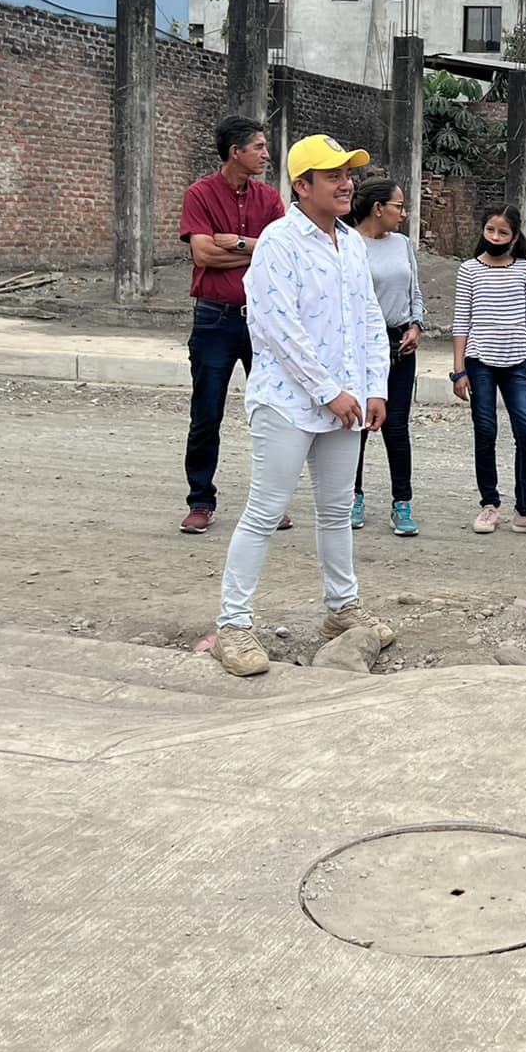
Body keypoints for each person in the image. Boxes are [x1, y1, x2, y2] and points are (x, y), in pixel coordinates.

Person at [212, 135, 391, 678]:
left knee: (336, 510)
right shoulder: (278, 242)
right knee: (264, 511)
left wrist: (375, 387)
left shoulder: (351, 243)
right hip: (288, 402)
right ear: (302, 185)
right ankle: (233, 624)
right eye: (333, 175)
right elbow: (277, 327)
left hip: (346, 402)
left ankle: (342, 607)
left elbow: (369, 319)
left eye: (348, 174)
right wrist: (327, 391)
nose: (346, 184)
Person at [178, 116, 285, 535]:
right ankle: (200, 501)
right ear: (235, 152)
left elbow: (280, 252)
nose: (265, 154)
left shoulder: (270, 198)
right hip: (214, 319)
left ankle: (271, 503)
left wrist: (236, 242)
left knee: (272, 413)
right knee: (207, 414)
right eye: (258, 147)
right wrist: (257, 249)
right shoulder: (200, 194)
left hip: (263, 321)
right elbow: (203, 255)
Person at [452, 204, 526, 535]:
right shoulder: (469, 270)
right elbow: (461, 322)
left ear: (514, 236)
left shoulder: (525, 270)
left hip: (516, 364)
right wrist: (458, 371)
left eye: (503, 232)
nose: (495, 237)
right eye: (490, 230)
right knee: (486, 432)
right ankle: (489, 505)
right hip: (479, 362)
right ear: (482, 230)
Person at [350, 176, 424, 537]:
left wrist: (416, 325)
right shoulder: (349, 244)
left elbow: (415, 292)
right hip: (362, 345)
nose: (404, 213)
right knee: (359, 424)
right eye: (399, 206)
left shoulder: (403, 244)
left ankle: (402, 502)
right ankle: (353, 496)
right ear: (378, 208)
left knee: (397, 426)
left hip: (400, 343)